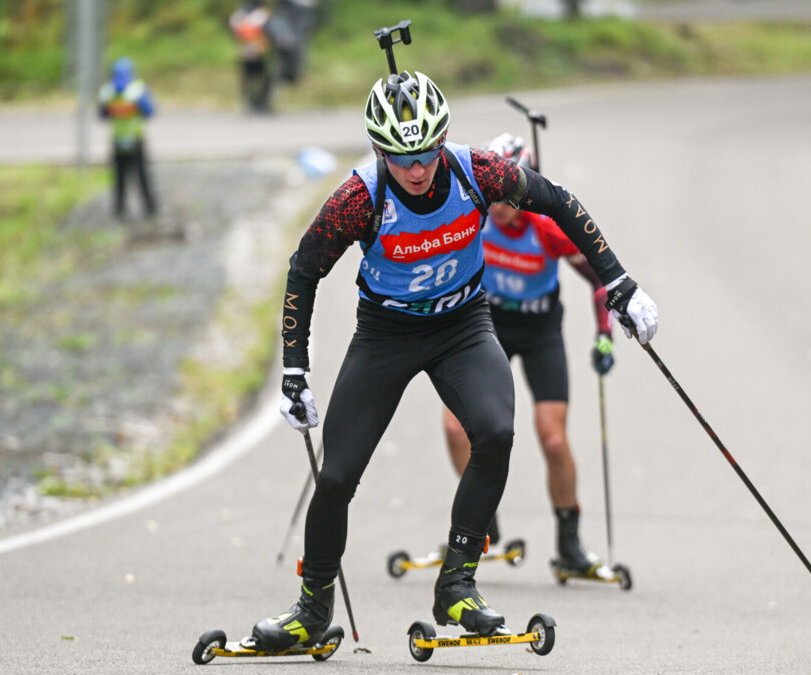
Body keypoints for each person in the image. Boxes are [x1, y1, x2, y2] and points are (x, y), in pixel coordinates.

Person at [245, 67, 659, 650]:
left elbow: (559, 201)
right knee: (337, 474)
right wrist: (293, 369)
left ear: (443, 141)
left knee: (494, 432)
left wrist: (619, 282)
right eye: (400, 157)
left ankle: (458, 584)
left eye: (426, 154)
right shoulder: (361, 196)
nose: (416, 170)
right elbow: (303, 269)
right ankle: (311, 608)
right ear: (379, 150)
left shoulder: (477, 170)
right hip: (385, 333)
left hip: (462, 324)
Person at [440, 132, 615, 576]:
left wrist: (604, 334)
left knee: (553, 438)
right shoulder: (474, 218)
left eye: (507, 195)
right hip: (486, 325)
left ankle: (570, 543)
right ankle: (481, 524)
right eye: (491, 194)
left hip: (539, 330)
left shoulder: (547, 227)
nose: (498, 205)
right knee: (458, 430)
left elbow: (597, 278)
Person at [97, 57, 157, 219]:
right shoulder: (137, 90)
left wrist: (116, 111)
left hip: (118, 141)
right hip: (135, 140)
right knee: (142, 177)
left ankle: (119, 210)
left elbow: (101, 114)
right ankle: (150, 208)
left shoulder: (107, 92)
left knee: (119, 179)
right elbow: (150, 112)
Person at [229, 1, 273, 113]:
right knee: (249, 79)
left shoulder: (261, 14)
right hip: (249, 53)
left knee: (261, 78)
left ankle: (261, 102)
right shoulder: (245, 14)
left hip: (258, 52)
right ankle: (251, 103)